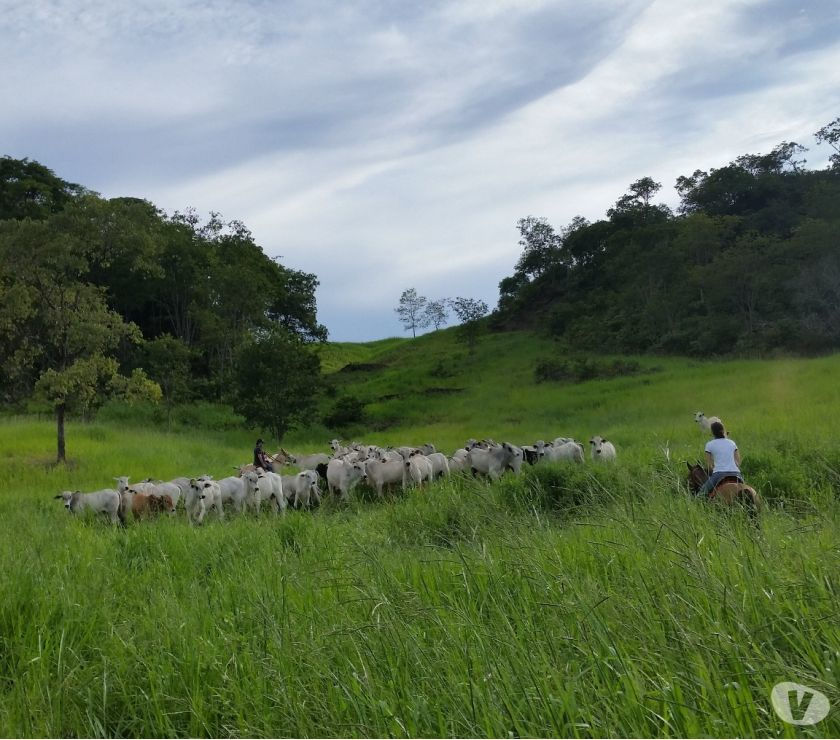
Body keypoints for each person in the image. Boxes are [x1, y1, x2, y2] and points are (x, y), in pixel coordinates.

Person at [698, 421, 743, 496]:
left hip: (719, 474)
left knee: (700, 494)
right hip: (736, 473)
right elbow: (738, 463)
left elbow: (709, 466)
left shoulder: (709, 445)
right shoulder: (732, 443)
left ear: (712, 432)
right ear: (723, 430)